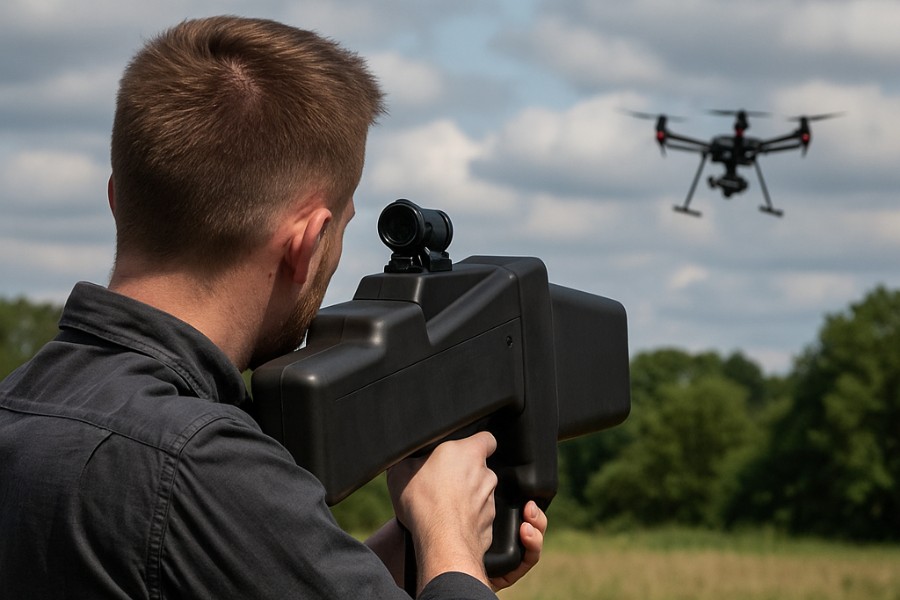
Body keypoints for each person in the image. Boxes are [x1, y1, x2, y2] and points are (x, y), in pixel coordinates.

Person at [0, 15, 546, 599]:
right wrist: (449, 542)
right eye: (340, 231)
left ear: (116, 198)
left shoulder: (23, 412)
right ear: (305, 244)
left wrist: (418, 565)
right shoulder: (201, 466)